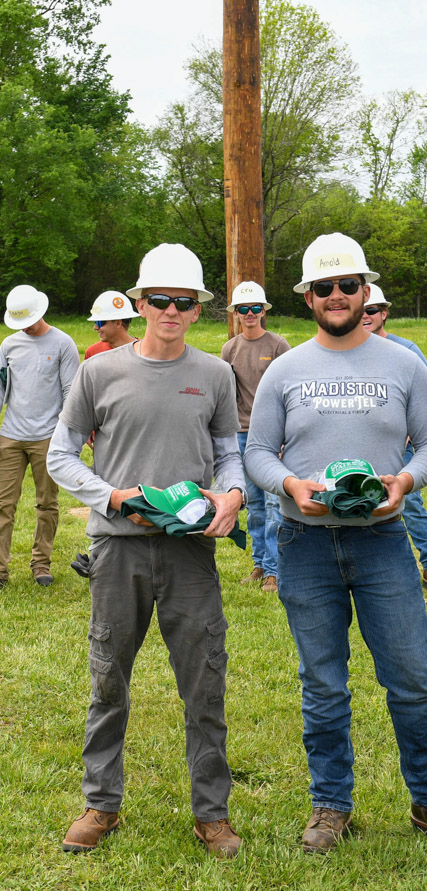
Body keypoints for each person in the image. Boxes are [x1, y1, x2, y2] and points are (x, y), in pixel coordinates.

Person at [245, 232, 427, 855]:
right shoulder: (286, 368)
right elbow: (255, 454)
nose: (335, 296)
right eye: (322, 287)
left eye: (346, 285)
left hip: (383, 542)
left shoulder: (403, 364)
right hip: (305, 544)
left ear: (365, 291)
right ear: (307, 296)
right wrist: (292, 485)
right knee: (323, 684)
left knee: (411, 678)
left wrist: (404, 481)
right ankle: (331, 806)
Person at [47, 243, 246, 858]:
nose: (169, 309)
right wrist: (112, 496)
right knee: (109, 680)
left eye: (182, 302)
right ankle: (100, 804)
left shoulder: (214, 373)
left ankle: (211, 814)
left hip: (189, 554)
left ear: (197, 311)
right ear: (138, 303)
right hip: (117, 552)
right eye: (158, 299)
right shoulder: (98, 372)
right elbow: (60, 456)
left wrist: (233, 492)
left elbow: (229, 448)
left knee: (204, 685)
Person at [362, 284, 427, 594]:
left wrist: (406, 435)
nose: (366, 315)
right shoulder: (351, 350)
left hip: (400, 445)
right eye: (362, 310)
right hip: (364, 443)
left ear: (384, 313)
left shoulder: (407, 350)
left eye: (372, 310)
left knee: (410, 502)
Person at [0, 285, 79, 588]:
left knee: (47, 504)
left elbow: (72, 391)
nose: (26, 328)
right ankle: (0, 571)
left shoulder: (63, 343)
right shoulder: (8, 345)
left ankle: (41, 564)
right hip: (10, 436)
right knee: (3, 505)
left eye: (29, 320)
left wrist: (65, 431)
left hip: (47, 437)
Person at [221, 281, 290, 593]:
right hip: (240, 435)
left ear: (264, 311)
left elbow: (290, 393)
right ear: (235, 313)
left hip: (273, 436)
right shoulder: (229, 349)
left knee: (276, 504)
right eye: (243, 309)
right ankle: (259, 563)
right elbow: (225, 395)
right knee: (256, 505)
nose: (250, 314)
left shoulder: (278, 346)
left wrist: (286, 434)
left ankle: (275, 570)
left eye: (255, 308)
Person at [84, 290, 140, 358]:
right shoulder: (93, 352)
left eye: (99, 322)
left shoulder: (144, 352)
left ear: (118, 323)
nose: (95, 327)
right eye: (95, 322)